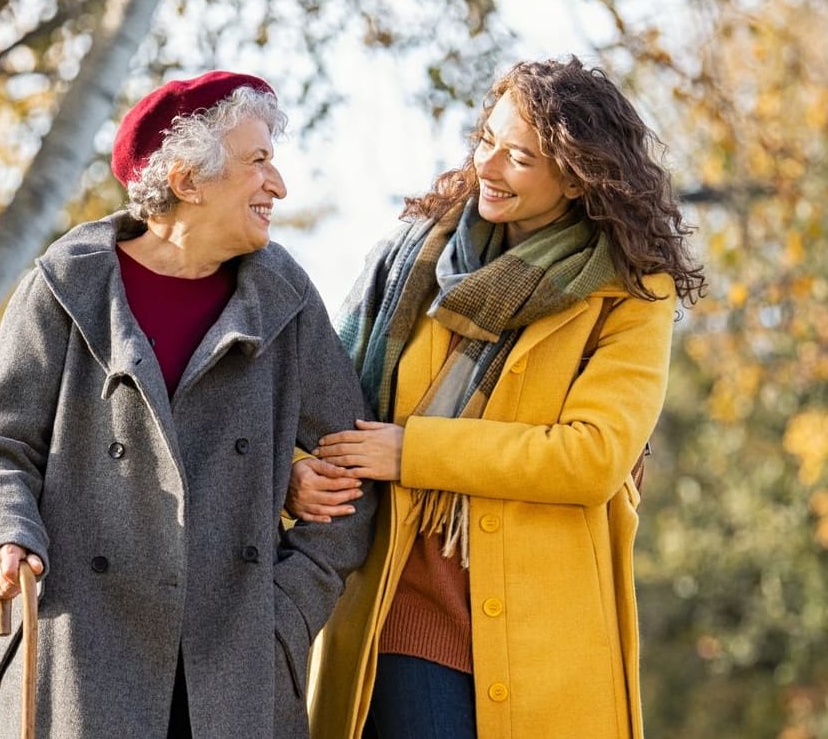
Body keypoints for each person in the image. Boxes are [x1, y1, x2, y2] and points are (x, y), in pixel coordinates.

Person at [288, 57, 706, 739]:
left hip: (548, 632)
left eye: (518, 157)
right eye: (486, 140)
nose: (488, 166)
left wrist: (412, 451)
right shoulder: (411, 263)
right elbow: (318, 404)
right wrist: (294, 476)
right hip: (400, 606)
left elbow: (591, 457)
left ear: (576, 175)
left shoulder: (629, 295)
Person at [0, 70, 377, 739]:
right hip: (80, 649)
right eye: (258, 162)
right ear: (186, 180)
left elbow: (354, 467)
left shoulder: (284, 297)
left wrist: (285, 611)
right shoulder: (66, 287)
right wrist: (4, 533)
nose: (279, 185)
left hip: (236, 666)